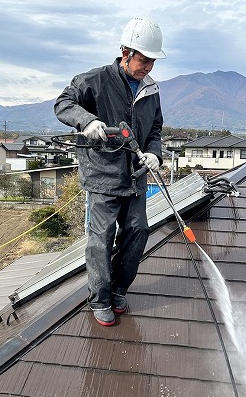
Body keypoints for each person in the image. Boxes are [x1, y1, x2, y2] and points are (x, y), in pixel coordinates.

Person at [54, 17, 166, 326]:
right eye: (144, 60)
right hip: (103, 176)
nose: (148, 67)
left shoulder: (151, 90)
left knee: (138, 232)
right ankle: (100, 298)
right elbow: (63, 103)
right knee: (101, 239)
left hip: (135, 178)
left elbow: (155, 129)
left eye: (153, 61)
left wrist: (154, 154)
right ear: (126, 52)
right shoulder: (97, 80)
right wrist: (86, 121)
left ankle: (119, 290)